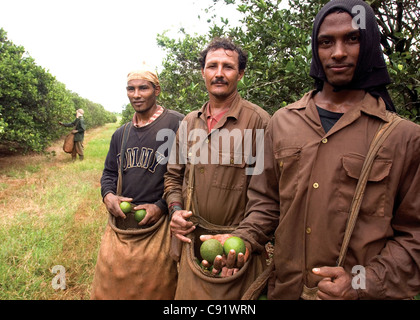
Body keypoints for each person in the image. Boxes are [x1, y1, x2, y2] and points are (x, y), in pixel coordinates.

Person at [211, 0, 420, 300]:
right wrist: (244, 238)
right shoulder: (283, 122)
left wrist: (362, 282)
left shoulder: (403, 137)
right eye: (326, 42)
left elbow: (414, 237)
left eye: (352, 38)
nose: (338, 52)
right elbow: (266, 203)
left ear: (371, 44)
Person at [163, 37, 271, 300]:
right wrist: (176, 211)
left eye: (228, 67)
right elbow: (172, 177)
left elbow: (269, 196)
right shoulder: (189, 122)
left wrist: (247, 238)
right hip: (192, 246)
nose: (219, 74)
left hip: (239, 250)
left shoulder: (260, 122)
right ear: (203, 73)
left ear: (241, 74)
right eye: (212, 66)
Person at [90, 66, 184, 299]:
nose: (136, 94)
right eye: (131, 89)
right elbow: (109, 172)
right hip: (122, 223)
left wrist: (161, 207)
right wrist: (108, 196)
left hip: (157, 225)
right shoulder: (121, 134)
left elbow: (186, 176)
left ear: (157, 90)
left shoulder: (177, 124)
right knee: (109, 285)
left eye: (143, 88)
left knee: (156, 288)